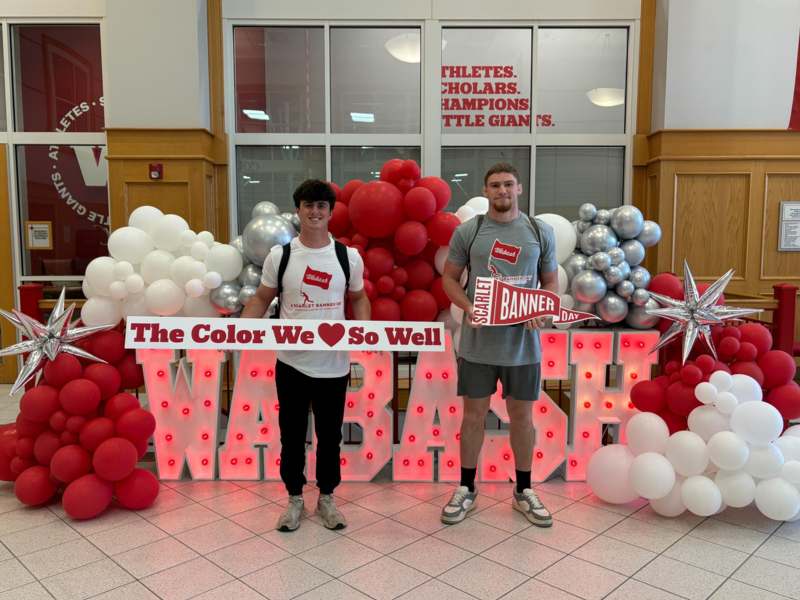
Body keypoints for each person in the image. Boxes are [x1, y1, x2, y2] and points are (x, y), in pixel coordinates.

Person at [241, 179, 370, 532]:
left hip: (334, 366)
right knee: (292, 435)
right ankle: (294, 499)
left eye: (321, 206)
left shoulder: (347, 257)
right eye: (308, 205)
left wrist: (367, 331)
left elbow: (358, 298)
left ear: (330, 213)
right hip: (291, 363)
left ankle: (327, 498)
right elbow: (261, 298)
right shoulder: (280, 256)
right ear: (298, 210)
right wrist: (238, 330)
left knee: (330, 436)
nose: (315, 212)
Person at [440, 163, 559, 527]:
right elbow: (449, 279)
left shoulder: (540, 231)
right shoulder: (470, 231)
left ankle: (523, 490)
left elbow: (550, 283)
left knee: (522, 419)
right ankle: (466, 488)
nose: (502, 191)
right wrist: (467, 307)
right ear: (485, 190)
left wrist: (543, 309)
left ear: (519, 188)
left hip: (523, 347)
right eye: (495, 185)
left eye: (508, 184)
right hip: (477, 346)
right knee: (473, 417)